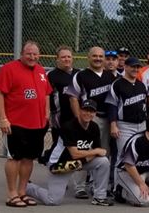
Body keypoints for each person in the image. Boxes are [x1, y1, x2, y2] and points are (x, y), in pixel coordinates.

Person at [26, 100, 112, 206]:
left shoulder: (94, 127)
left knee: (103, 161)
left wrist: (90, 155)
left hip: (79, 162)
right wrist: (94, 152)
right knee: (53, 200)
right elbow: (75, 154)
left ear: (95, 114)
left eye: (91, 111)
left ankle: (99, 197)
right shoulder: (69, 126)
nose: (88, 114)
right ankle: (27, 187)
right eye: (85, 110)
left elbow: (99, 154)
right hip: (60, 164)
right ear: (80, 110)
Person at [0, 44, 53, 205]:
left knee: (29, 159)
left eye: (35, 54)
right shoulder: (9, 69)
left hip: (37, 124)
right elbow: (0, 93)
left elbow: (46, 94)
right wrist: (3, 118)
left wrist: (46, 113)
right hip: (16, 123)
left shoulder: (40, 70)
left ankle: (22, 191)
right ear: (22, 54)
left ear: (39, 55)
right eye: (28, 54)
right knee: (15, 158)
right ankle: (12, 194)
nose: (32, 57)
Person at [64, 46, 116, 199]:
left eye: (101, 56)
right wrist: (79, 119)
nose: (98, 59)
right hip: (88, 118)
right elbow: (73, 97)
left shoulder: (110, 76)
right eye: (95, 56)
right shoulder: (81, 75)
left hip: (106, 118)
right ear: (88, 57)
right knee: (84, 151)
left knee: (103, 152)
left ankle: (97, 186)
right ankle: (80, 186)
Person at [106, 57, 149, 157]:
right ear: (125, 67)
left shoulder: (141, 85)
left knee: (140, 155)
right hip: (125, 126)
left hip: (142, 124)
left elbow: (145, 104)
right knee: (124, 156)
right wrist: (113, 125)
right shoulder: (117, 84)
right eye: (133, 67)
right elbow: (112, 106)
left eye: (138, 67)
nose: (136, 69)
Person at [47, 46, 77, 141]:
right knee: (59, 146)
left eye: (69, 57)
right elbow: (45, 97)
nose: (66, 59)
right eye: (63, 57)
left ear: (72, 58)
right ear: (57, 59)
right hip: (59, 118)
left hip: (77, 118)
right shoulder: (50, 75)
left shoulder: (79, 74)